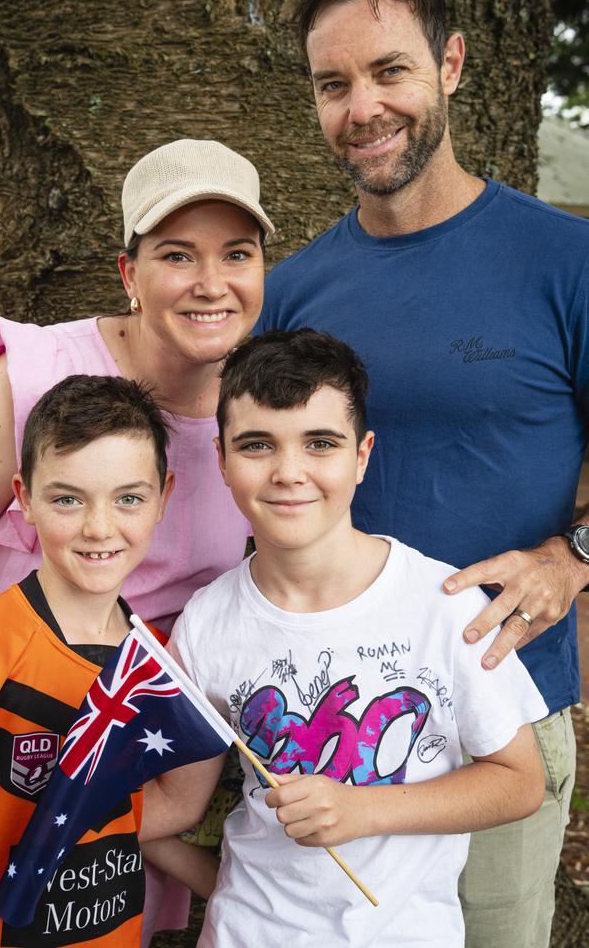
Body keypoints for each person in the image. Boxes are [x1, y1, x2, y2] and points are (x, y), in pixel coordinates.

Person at [254, 0, 589, 943]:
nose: (361, 108)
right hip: (328, 726)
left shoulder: (560, 259)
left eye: (387, 71)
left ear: (448, 64)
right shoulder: (290, 293)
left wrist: (571, 559)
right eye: (332, 84)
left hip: (502, 727)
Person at [0, 137, 273, 941]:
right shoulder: (26, 381)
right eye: (176, 255)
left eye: (237, 253)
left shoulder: (262, 420)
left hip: (130, 776)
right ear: (129, 273)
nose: (210, 282)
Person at [140, 328, 547, 947]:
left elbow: (520, 781)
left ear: (362, 455)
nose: (288, 472)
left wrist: (364, 810)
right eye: (256, 446)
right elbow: (177, 804)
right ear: (221, 459)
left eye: (320, 444)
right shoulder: (207, 621)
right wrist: (34, 807)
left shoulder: (443, 605)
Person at [0, 375, 219, 947]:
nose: (99, 528)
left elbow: (155, 807)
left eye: (129, 499)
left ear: (163, 497)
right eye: (68, 498)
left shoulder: (155, 665)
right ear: (24, 497)